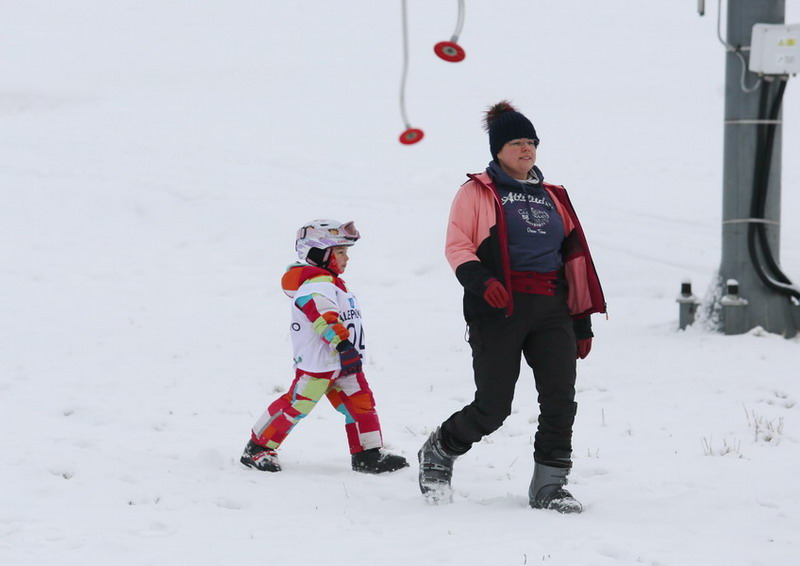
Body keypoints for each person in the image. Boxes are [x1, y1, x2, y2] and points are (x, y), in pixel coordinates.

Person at [418, 101, 606, 512]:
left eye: (532, 142)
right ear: (498, 149)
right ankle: (441, 447)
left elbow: (573, 259)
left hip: (552, 309)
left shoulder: (554, 196)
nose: (526, 149)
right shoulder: (476, 192)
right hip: (499, 310)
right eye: (517, 142)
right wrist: (483, 283)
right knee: (493, 407)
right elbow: (458, 246)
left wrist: (581, 322)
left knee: (560, 400)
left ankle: (550, 486)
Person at [241, 219, 408, 474]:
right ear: (318, 253)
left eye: (346, 252)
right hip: (320, 364)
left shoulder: (330, 282)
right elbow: (323, 317)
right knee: (297, 405)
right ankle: (256, 449)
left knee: (360, 403)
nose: (346, 258)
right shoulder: (317, 285)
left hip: (343, 363)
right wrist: (343, 345)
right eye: (340, 252)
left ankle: (367, 454)